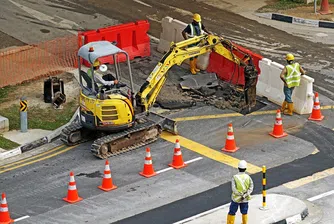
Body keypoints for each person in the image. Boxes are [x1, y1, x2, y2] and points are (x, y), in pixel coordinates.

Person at [226, 160, 254, 224]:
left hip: (236, 199)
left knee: (232, 211)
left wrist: (239, 194)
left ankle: (230, 223)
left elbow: (234, 189)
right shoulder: (248, 177)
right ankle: (244, 223)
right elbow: (251, 187)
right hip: (245, 198)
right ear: (245, 168)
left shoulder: (235, 177)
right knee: (244, 211)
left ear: (238, 168)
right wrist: (245, 194)